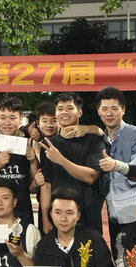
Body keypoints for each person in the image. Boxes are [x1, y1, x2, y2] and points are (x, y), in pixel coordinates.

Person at [95, 87, 136, 253]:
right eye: (104, 109)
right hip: (113, 216)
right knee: (119, 260)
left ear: (123, 110)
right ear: (98, 111)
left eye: (114, 108)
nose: (109, 113)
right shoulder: (98, 140)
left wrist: (116, 165)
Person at [37, 93, 101, 232]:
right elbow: (46, 185)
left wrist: (60, 160)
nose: (64, 112)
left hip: (88, 215)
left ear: (79, 112)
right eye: (60, 109)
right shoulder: (48, 145)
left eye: (69, 108)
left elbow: (91, 176)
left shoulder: (94, 140)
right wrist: (45, 219)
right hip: (58, 217)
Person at [0, 96, 38, 226]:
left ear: (20, 119)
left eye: (12, 118)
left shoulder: (30, 141)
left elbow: (35, 184)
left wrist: (33, 160)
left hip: (21, 211)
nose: (7, 122)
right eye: (3, 118)